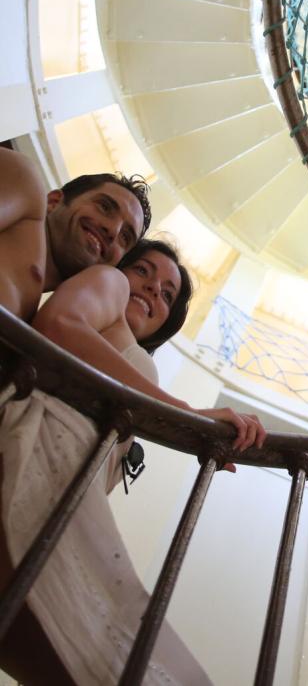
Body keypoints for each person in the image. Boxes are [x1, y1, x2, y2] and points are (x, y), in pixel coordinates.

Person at [0, 239, 266, 684]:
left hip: (66, 483)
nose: (151, 291)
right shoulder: (108, 283)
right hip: (35, 450)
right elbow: (60, 324)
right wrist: (185, 414)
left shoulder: (132, 356)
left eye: (167, 293)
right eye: (143, 270)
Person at [0, 146, 151, 323]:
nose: (113, 231)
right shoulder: (24, 178)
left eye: (125, 237)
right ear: (53, 202)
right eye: (104, 207)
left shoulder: (36, 319)